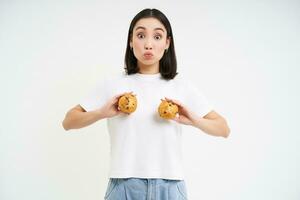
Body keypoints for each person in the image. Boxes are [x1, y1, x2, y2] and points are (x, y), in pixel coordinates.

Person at [62, 8, 230, 200]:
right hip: (124, 187)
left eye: (157, 37)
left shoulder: (181, 86)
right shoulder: (113, 84)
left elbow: (223, 129)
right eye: (141, 35)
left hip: (170, 188)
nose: (148, 44)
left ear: (167, 42)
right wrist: (101, 113)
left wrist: (192, 119)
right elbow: (68, 122)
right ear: (131, 41)